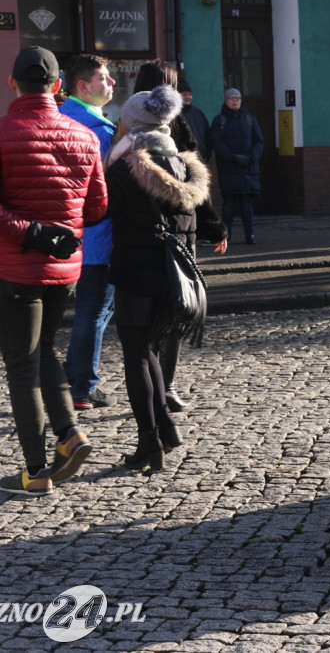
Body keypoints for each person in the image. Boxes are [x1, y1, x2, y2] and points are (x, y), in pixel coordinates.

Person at [0, 46, 108, 495]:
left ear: (13, 84)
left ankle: (35, 472)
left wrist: (28, 231)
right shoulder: (84, 136)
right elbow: (97, 207)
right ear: (57, 87)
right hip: (65, 267)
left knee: (20, 364)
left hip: (15, 267)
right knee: (44, 348)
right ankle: (69, 434)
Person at [105, 85, 226, 473]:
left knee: (136, 354)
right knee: (150, 350)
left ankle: (148, 444)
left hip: (136, 272)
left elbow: (99, 211)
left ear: (135, 124)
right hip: (175, 278)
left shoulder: (125, 167)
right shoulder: (187, 168)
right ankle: (165, 429)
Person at [59, 54, 118, 411]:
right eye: (104, 78)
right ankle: (83, 384)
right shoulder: (97, 131)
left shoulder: (63, 119)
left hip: (71, 233)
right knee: (95, 311)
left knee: (88, 310)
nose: (110, 82)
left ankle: (71, 373)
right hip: (99, 234)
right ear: (83, 86)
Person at [210, 88, 263, 245]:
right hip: (229, 168)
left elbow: (259, 141)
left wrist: (251, 157)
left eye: (238, 98)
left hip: (248, 168)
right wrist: (231, 157)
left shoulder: (250, 120)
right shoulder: (219, 121)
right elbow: (216, 142)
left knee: (246, 203)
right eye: (232, 98)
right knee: (229, 203)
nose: (235, 101)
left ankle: (250, 235)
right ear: (226, 101)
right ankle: (227, 235)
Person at [177, 78, 211, 163]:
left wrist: (207, 154)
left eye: (190, 94)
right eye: (184, 94)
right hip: (183, 160)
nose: (188, 97)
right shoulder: (174, 114)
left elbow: (207, 135)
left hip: (201, 158)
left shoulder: (198, 113)